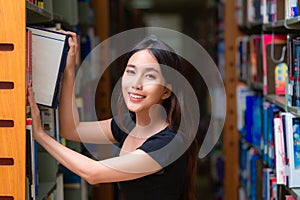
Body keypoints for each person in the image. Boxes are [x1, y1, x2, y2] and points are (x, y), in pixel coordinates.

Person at [28, 31, 200, 200]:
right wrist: (69, 70)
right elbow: (72, 129)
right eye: (131, 72)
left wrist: (41, 136)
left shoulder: (168, 143)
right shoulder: (129, 124)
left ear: (166, 91)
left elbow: (92, 173)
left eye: (149, 76)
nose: (136, 84)